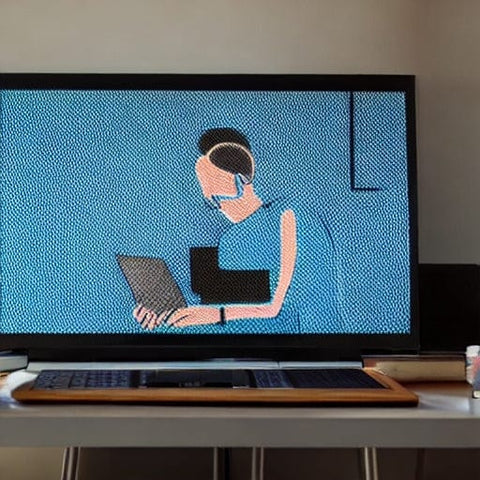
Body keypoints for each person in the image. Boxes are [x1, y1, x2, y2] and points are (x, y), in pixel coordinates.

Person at [134, 127, 298, 330]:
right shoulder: (230, 240)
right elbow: (233, 310)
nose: (220, 208)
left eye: (219, 197)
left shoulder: (287, 216)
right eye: (212, 202)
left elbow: (275, 309)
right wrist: (164, 313)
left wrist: (216, 315)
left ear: (242, 180)